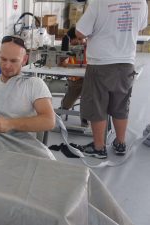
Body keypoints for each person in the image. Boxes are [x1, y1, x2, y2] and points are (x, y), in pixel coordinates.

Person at [75, 0, 148, 159]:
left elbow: (80, 32)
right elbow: (140, 26)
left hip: (101, 63)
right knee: (121, 105)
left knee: (97, 106)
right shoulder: (141, 2)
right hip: (126, 62)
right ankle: (120, 143)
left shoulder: (99, 3)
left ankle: (99, 147)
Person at [59, 27, 88, 127]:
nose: (80, 42)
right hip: (75, 79)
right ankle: (62, 109)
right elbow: (63, 63)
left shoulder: (89, 47)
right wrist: (64, 56)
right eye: (77, 40)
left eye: (82, 39)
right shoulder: (69, 48)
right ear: (70, 40)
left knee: (87, 97)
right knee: (68, 103)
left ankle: (85, 118)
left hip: (88, 78)